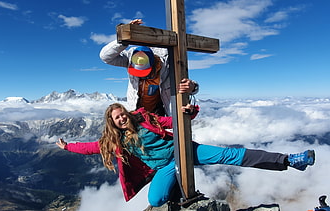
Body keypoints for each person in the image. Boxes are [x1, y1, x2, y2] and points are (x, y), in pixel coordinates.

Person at [56, 103, 315, 208]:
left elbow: (174, 120)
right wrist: (67, 147)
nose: (122, 118)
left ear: (127, 113)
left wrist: (190, 110)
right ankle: (180, 196)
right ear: (112, 122)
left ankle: (290, 160)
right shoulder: (114, 141)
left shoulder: (146, 119)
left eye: (122, 114)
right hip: (166, 167)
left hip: (186, 151)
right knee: (156, 199)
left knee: (230, 155)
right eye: (117, 118)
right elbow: (90, 147)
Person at [99, 19, 199, 116]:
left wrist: (192, 87)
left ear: (154, 64)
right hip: (136, 113)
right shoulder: (129, 58)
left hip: (158, 113)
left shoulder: (168, 62)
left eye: (145, 73)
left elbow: (185, 82)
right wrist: (123, 40)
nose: (143, 77)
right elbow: (105, 56)